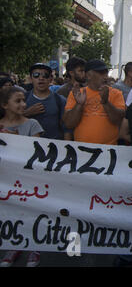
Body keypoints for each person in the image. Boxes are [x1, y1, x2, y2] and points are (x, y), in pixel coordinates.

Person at [0, 86, 43, 267]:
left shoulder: (32, 125)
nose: (23, 104)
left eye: (23, 100)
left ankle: (35, 248)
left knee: (32, 212)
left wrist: (17, 141)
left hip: (29, 180)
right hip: (6, 180)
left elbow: (39, 153)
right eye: (17, 101)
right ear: (4, 105)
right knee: (11, 212)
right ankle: (14, 245)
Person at [63, 59, 125, 145]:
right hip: (81, 149)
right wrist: (79, 105)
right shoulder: (76, 94)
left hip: (108, 150)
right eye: (101, 73)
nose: (105, 77)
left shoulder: (116, 93)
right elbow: (69, 124)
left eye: (106, 73)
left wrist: (106, 102)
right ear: (88, 75)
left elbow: (118, 121)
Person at [23, 63, 67, 140]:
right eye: (36, 75)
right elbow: (10, 120)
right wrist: (26, 113)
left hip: (54, 147)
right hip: (27, 146)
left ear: (51, 79)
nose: (41, 78)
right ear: (31, 78)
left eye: (45, 75)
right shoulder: (23, 99)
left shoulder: (60, 100)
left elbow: (67, 128)